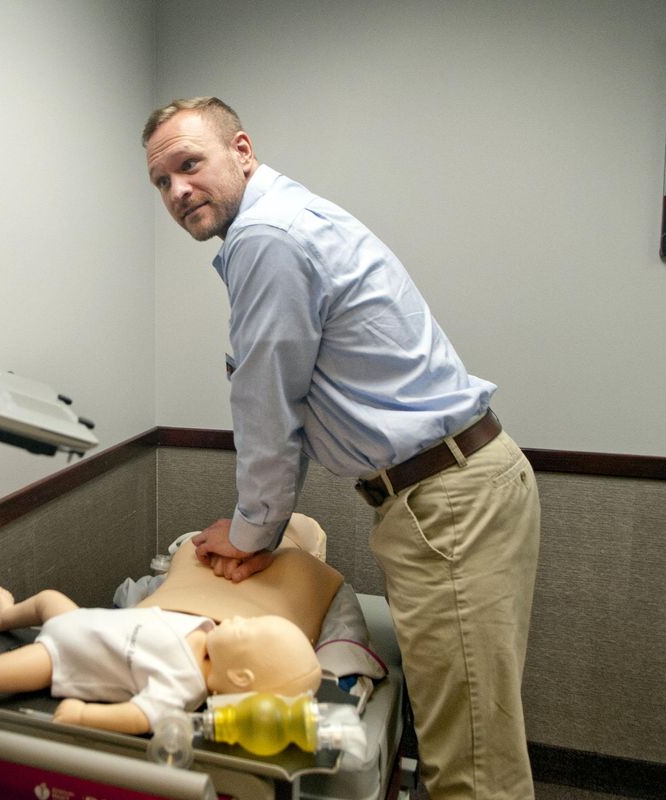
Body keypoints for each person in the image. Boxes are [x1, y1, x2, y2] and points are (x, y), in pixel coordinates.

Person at [142, 97, 541, 800]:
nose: (177, 191)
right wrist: (258, 535)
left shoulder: (266, 238)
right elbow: (289, 404)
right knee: (474, 733)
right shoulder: (286, 220)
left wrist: (247, 532)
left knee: (473, 770)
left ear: (241, 150)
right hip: (457, 486)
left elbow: (266, 410)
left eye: (189, 164)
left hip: (445, 503)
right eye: (161, 182)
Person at [0, 523, 346, 736]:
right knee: (47, 598)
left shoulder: (184, 685)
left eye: (246, 631)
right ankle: (7, 617)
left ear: (240, 673)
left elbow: (140, 718)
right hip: (80, 619)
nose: (236, 622)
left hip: (64, 657)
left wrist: (82, 716)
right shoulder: (205, 630)